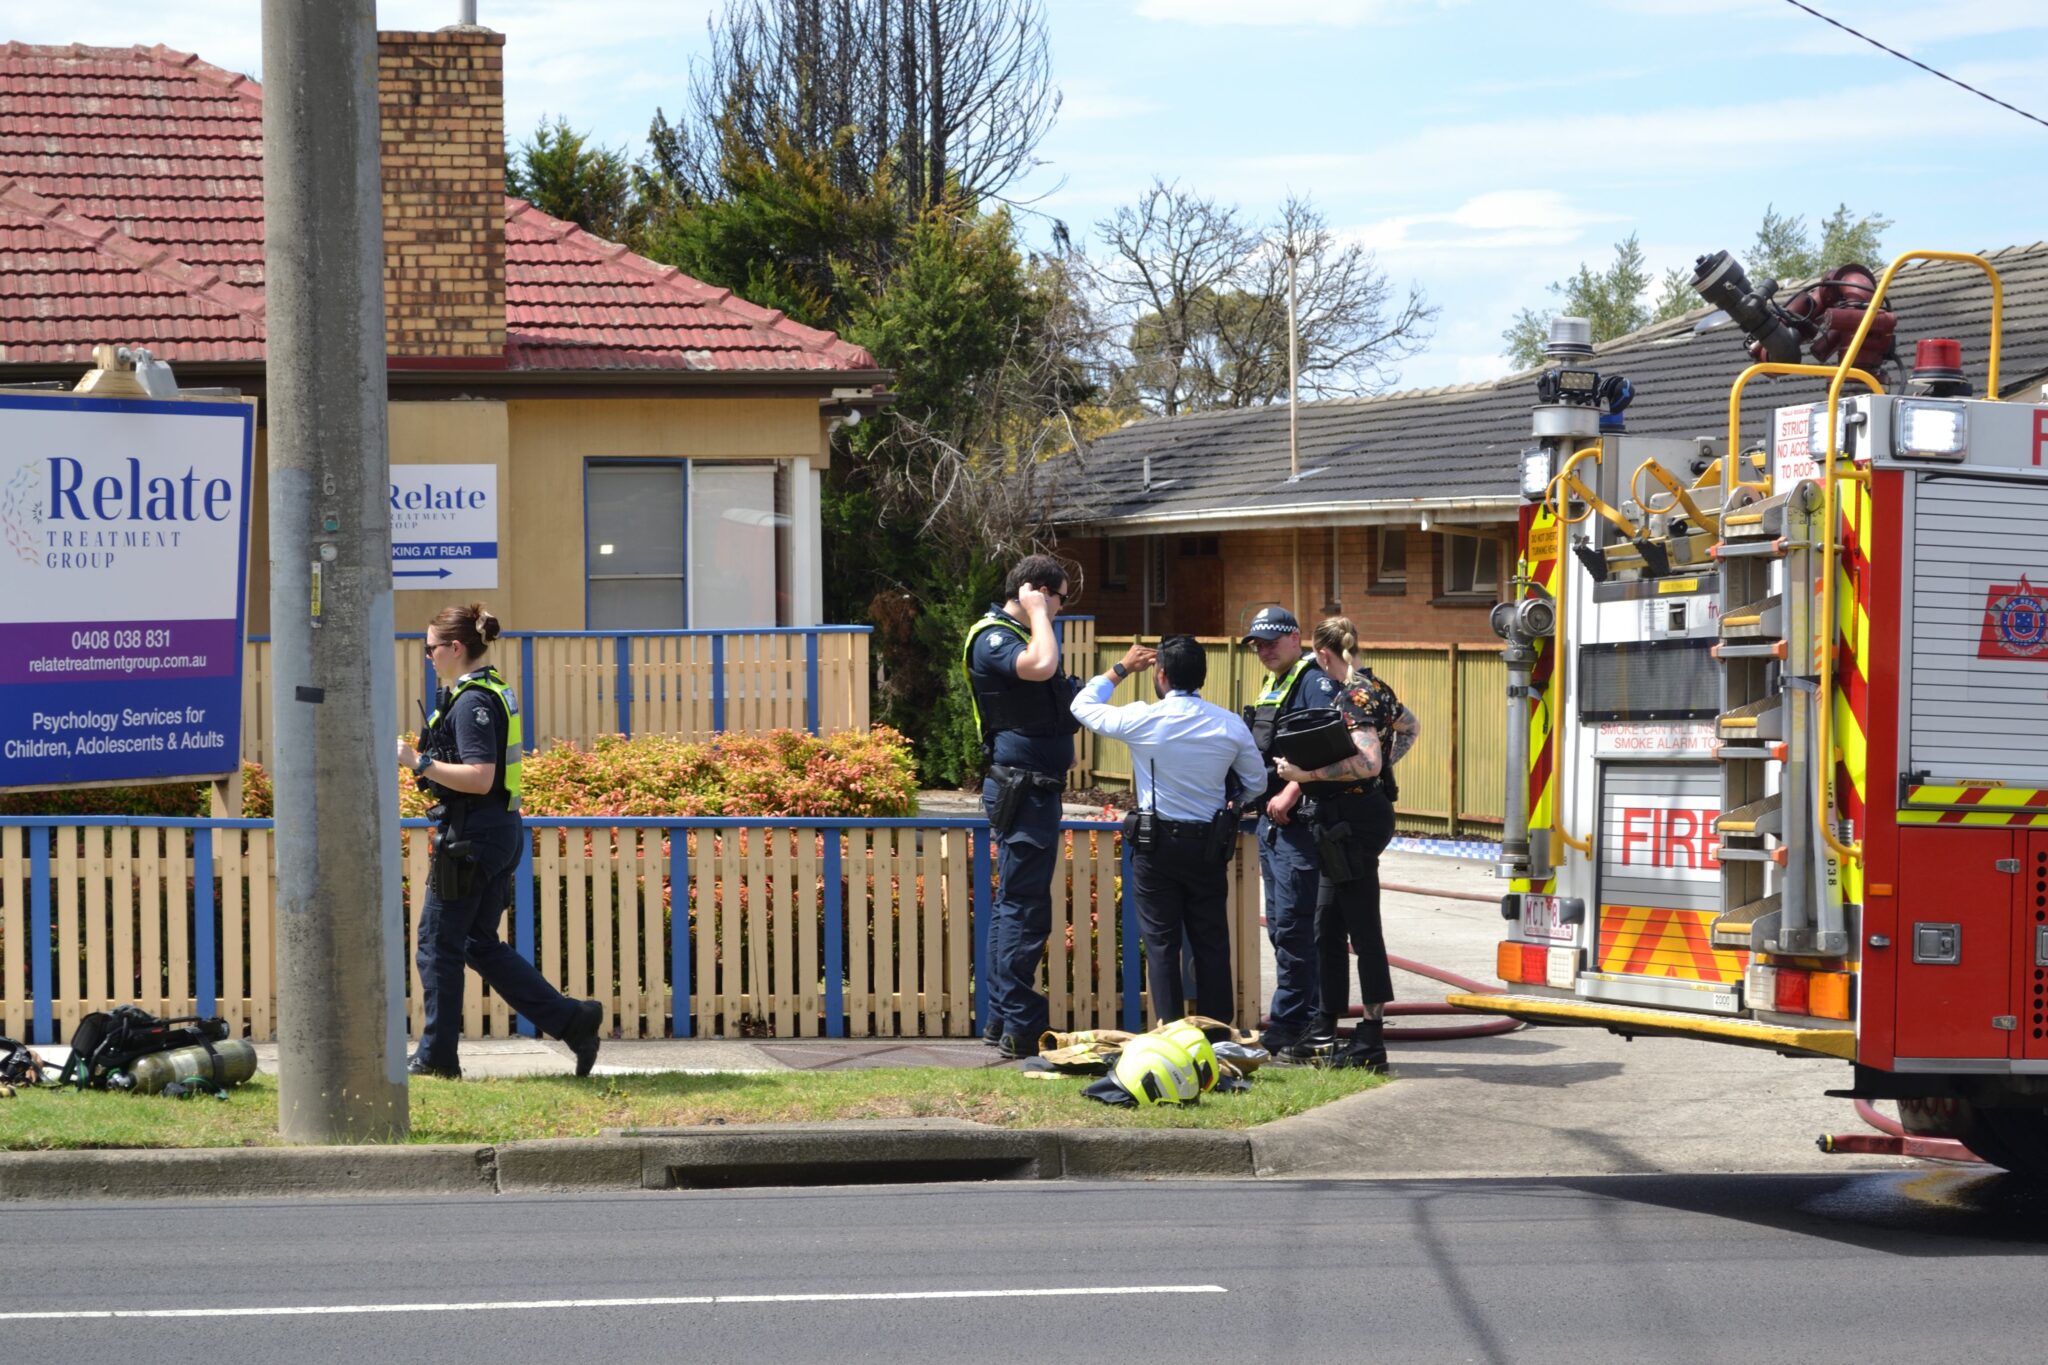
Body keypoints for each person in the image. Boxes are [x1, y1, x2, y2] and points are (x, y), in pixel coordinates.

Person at [397, 603, 604, 1079]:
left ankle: (436, 1058)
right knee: (476, 942)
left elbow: (480, 776)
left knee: (436, 945)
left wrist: (417, 762)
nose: (427, 656)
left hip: (472, 837)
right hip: (497, 831)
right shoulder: (487, 689)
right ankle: (573, 1021)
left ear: (454, 647)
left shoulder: (471, 702)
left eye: (430, 648)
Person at [1071, 635, 1266, 1031]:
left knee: (1162, 944)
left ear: (1160, 674)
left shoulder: (1143, 718)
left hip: (1156, 844)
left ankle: (1171, 1032)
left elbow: (1081, 706)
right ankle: (1217, 1032)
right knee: (1212, 941)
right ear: (1203, 676)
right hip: (1208, 844)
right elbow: (1256, 783)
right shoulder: (1229, 723)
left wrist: (1121, 669)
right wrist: (1230, 801)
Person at [1271, 616, 1416, 1070]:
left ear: (1323, 654)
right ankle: (1324, 1029)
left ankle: (1370, 1039)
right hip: (1348, 818)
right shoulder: (1376, 688)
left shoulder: (1352, 696)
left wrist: (1306, 774)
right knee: (1326, 926)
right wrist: (1386, 766)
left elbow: (1368, 762)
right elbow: (1410, 727)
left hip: (1353, 823)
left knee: (1362, 927)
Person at [963, 555, 1083, 1059]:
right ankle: (1021, 1023)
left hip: (1035, 787)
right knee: (1024, 908)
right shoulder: (995, 637)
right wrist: (1037, 612)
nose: (1059, 609)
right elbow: (1041, 666)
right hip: (1023, 789)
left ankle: (1002, 1020)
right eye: (1059, 598)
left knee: (1015, 904)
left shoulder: (1020, 635)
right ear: (1037, 591)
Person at [1240, 605, 1341, 1055]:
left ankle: (1294, 1023)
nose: (1264, 650)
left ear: (1296, 637)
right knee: (1282, 927)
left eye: (1272, 641)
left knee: (1297, 926)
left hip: (1299, 823)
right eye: (1258, 645)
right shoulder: (1275, 682)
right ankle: (1307, 1017)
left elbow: (1328, 749)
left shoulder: (1313, 683)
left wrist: (1291, 791)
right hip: (1272, 825)